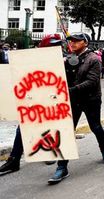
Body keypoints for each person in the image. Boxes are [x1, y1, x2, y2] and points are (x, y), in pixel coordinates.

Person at [49, 32, 104, 184]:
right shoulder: (67, 58)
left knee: (95, 126)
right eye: (71, 41)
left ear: (85, 43)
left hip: (91, 99)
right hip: (72, 100)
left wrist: (71, 90)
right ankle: (62, 167)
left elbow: (92, 81)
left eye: (77, 41)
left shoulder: (94, 59)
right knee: (67, 131)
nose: (73, 43)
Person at [0, 34, 65, 175]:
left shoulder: (62, 60)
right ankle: (14, 159)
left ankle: (48, 153)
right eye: (53, 45)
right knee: (23, 128)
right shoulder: (31, 60)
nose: (57, 48)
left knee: (49, 127)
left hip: (52, 101)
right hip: (33, 100)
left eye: (58, 45)